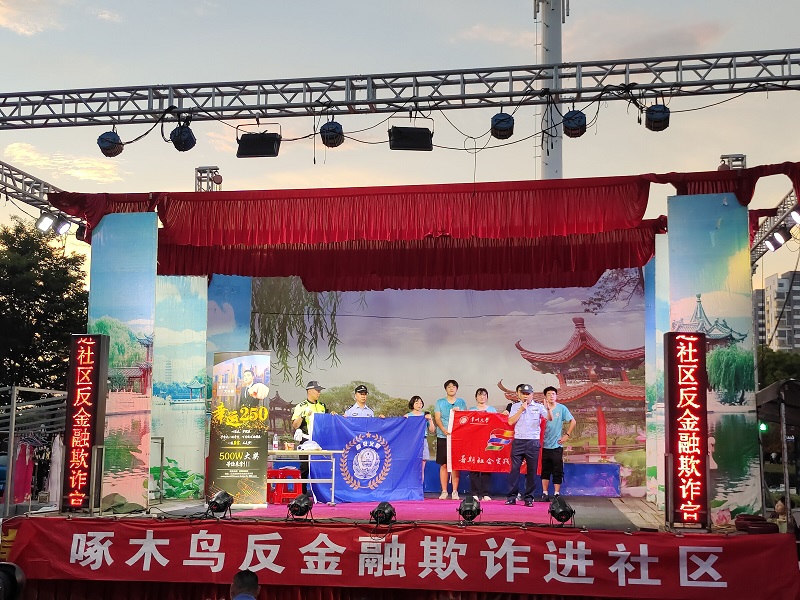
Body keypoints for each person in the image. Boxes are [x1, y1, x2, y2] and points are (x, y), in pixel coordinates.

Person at [505, 383, 552, 506]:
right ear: (520, 395)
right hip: (519, 441)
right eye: (524, 394)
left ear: (532, 395)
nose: (526, 396)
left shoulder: (539, 407)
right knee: (514, 470)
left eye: (528, 394)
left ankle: (529, 498)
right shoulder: (515, 406)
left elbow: (550, 418)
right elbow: (510, 422)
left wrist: (548, 409)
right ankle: (511, 497)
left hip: (532, 442)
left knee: (531, 471)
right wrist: (521, 409)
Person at [291, 381, 330, 494]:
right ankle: (302, 494)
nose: (319, 393)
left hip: (320, 440)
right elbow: (295, 425)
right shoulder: (301, 406)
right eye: (317, 390)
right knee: (305, 467)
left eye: (320, 390)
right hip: (306, 441)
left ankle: (321, 494)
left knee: (320, 467)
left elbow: (326, 423)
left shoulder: (322, 406)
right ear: (309, 391)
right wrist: (302, 415)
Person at [539, 385, 575, 502]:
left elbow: (573, 421)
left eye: (553, 394)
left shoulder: (562, 408)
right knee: (545, 470)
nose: (551, 396)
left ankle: (556, 494)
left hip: (556, 445)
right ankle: (545, 493)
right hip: (543, 445)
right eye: (549, 394)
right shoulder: (541, 409)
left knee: (557, 469)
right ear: (545, 397)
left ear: (556, 396)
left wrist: (567, 435)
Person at [434, 379, 467, 500]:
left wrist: (459, 412)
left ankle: (454, 491)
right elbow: (437, 418)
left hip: (456, 438)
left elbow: (465, 418)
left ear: (457, 389)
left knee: (455, 464)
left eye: (453, 386)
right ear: (445, 389)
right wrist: (443, 430)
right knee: (443, 464)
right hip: (443, 436)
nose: (451, 388)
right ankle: (444, 491)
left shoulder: (461, 402)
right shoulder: (440, 402)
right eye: (449, 386)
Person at [469, 388, 497, 501]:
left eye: (484, 395)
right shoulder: (471, 410)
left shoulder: (492, 410)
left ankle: (485, 493)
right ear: (476, 397)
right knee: (474, 468)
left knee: (486, 467)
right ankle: (474, 493)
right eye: (479, 395)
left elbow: (497, 424)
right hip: (474, 443)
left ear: (487, 397)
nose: (482, 397)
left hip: (488, 443)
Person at [405, 395, 435, 481]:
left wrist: (430, 420)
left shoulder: (425, 415)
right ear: (412, 404)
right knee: (411, 464)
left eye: (421, 403)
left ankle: (420, 486)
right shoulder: (408, 416)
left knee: (422, 465)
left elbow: (432, 430)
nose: (419, 405)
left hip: (423, 440)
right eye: (416, 403)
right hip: (411, 442)